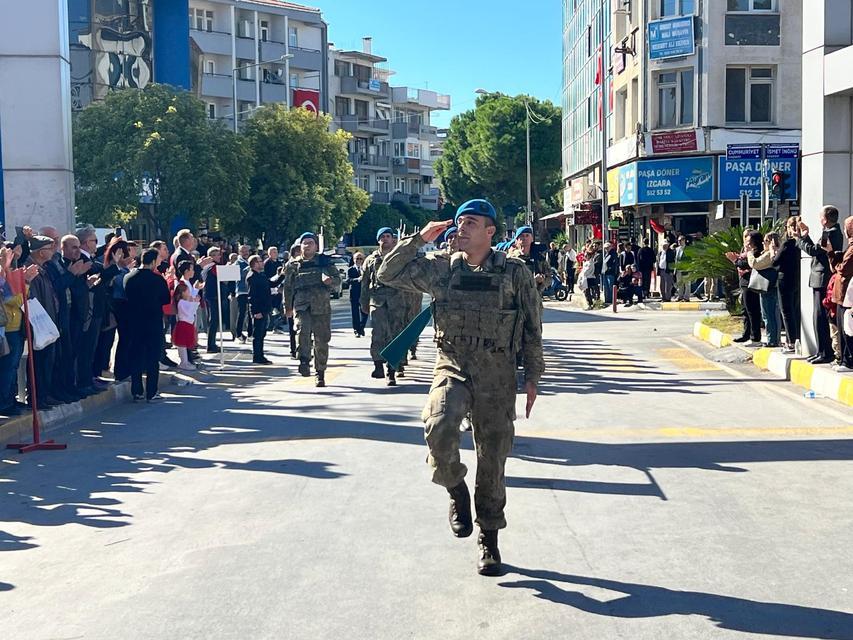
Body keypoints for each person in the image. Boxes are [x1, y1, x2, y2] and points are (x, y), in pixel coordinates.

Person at [376, 198, 544, 577]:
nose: (462, 228)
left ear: (491, 232)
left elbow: (533, 328)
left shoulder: (514, 272)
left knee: (493, 456)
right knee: (438, 426)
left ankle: (489, 537)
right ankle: (455, 489)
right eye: (459, 222)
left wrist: (533, 376)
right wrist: (418, 239)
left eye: (471, 223)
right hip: (453, 364)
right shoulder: (440, 269)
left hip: (497, 374)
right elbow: (388, 272)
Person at [282, 233, 338, 385]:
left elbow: (338, 280)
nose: (307, 245)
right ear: (300, 246)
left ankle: (320, 372)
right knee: (302, 331)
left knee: (322, 339)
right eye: (305, 243)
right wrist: (287, 307)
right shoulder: (293, 265)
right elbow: (288, 287)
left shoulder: (324, 263)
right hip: (302, 304)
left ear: (316, 246)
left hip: (321, 305)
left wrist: (329, 281)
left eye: (310, 243)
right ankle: (304, 360)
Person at [361, 227, 409, 386]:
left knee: (396, 334)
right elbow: (365, 282)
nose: (386, 239)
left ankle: (392, 370)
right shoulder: (371, 259)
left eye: (388, 236)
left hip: (397, 300)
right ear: (378, 239)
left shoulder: (398, 257)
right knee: (378, 333)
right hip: (377, 300)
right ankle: (378, 364)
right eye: (382, 236)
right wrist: (364, 303)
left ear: (392, 239)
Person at [797, 206, 843, 364]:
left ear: (825, 219)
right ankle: (821, 351)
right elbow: (816, 250)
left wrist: (801, 238)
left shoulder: (829, 233)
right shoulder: (833, 232)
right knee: (819, 317)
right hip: (820, 278)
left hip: (822, 278)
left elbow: (813, 251)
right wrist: (805, 237)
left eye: (820, 217)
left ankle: (825, 352)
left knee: (820, 317)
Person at [124, 248, 172, 401]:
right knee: (152, 357)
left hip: (133, 321)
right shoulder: (157, 279)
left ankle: (136, 391)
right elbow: (166, 299)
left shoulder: (128, 276)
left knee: (136, 355)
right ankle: (151, 391)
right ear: (152, 261)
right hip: (152, 321)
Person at [727, 229, 762, 346]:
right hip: (744, 283)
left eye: (748, 240)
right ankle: (746, 334)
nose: (746, 242)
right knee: (746, 311)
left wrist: (735, 260)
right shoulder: (745, 250)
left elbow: (746, 264)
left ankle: (755, 337)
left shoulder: (755, 252)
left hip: (750, 283)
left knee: (753, 311)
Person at [747, 232, 782, 348]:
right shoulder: (767, 253)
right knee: (769, 314)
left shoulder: (769, 255)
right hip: (767, 288)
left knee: (769, 314)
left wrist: (749, 253)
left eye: (766, 241)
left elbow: (755, 263)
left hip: (769, 288)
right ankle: (772, 338)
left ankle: (772, 339)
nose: (763, 243)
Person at [774, 218, 801, 353]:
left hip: (784, 280)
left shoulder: (787, 244)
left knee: (786, 311)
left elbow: (775, 261)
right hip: (797, 280)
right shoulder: (800, 243)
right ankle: (796, 340)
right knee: (794, 310)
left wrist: (773, 250)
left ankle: (791, 342)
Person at [831, 216, 853, 372]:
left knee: (847, 329)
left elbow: (843, 269)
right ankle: (844, 359)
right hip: (843, 294)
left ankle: (848, 361)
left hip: (847, 295)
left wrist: (834, 257)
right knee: (843, 327)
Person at [172, 282, 200, 371]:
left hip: (187, 325)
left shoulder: (184, 302)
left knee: (184, 345)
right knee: (182, 346)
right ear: (183, 293)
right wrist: (195, 303)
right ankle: (184, 362)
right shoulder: (181, 302)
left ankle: (185, 361)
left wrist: (194, 302)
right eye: (188, 291)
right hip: (184, 325)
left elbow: (191, 310)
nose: (189, 293)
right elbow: (188, 311)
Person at [201, 247, 224, 353]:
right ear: (212, 256)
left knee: (213, 320)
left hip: (209, 295)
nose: (219, 256)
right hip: (213, 296)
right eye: (217, 254)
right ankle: (211, 345)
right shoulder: (213, 267)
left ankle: (212, 343)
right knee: (214, 320)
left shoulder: (206, 267)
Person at [233, 244, 252, 342]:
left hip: (250, 290)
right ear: (239, 252)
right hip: (241, 291)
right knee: (242, 312)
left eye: (247, 251)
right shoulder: (238, 263)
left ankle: (250, 333)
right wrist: (249, 269)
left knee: (250, 313)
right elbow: (237, 275)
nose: (245, 253)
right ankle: (238, 334)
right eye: (243, 251)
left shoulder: (249, 261)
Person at [347, 252, 367, 337]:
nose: (358, 260)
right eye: (357, 259)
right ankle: (356, 329)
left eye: (360, 259)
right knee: (355, 313)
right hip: (354, 293)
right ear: (354, 260)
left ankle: (361, 327)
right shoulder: (350, 269)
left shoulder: (366, 269)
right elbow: (348, 280)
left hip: (364, 293)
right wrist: (357, 279)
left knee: (365, 312)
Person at [674, 236, 690, 302]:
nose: (679, 242)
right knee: (679, 284)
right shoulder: (677, 249)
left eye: (680, 240)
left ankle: (686, 297)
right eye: (678, 240)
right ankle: (680, 296)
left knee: (687, 284)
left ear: (684, 240)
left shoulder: (688, 249)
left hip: (686, 269)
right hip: (678, 269)